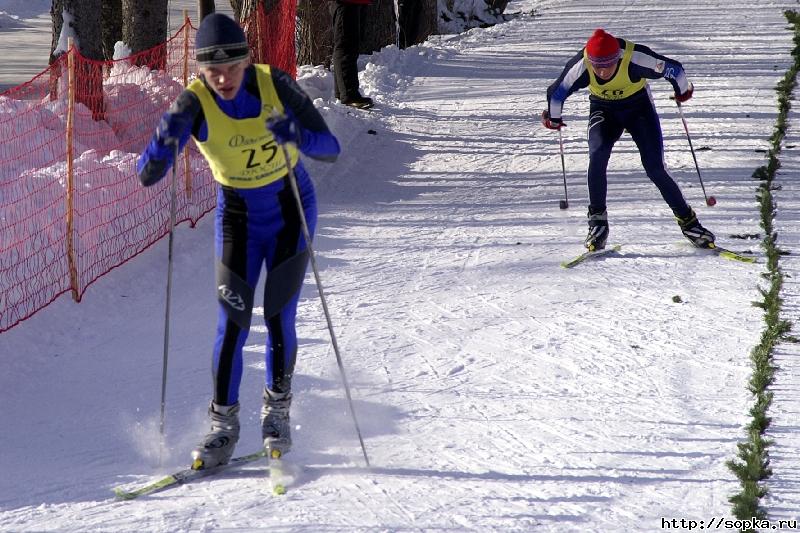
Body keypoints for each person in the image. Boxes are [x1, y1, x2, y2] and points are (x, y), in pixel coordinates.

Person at [137, 13, 341, 469]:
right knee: (232, 324)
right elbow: (148, 176)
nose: (224, 77)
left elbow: (330, 149)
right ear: (200, 70)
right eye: (213, 69)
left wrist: (298, 135)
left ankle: (277, 413)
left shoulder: (275, 85)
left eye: (232, 66)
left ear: (248, 60)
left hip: (290, 211)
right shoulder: (192, 103)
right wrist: (162, 144)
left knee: (277, 315)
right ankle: (222, 425)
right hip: (238, 221)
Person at [542, 28, 715, 251]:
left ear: (618, 58)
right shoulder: (582, 65)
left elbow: (675, 69)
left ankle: (689, 222)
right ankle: (598, 224)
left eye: (608, 65)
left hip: (638, 109)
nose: (602, 72)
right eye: (597, 66)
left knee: (654, 167)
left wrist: (682, 92)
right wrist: (553, 118)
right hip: (603, 110)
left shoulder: (636, 58)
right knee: (597, 156)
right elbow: (556, 92)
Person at [329, 0, 374, 109]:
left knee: (349, 46)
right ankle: (349, 95)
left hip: (354, 3)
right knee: (345, 46)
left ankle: (342, 92)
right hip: (345, 3)